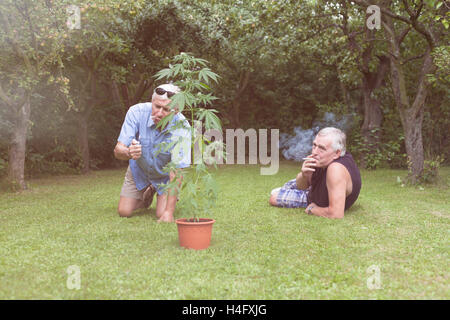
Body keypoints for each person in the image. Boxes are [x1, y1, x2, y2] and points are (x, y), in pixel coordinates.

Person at [114, 83, 191, 222]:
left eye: (166, 109)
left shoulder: (183, 127)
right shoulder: (136, 112)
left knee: (161, 213)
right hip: (140, 169)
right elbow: (118, 151)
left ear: (176, 110)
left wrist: (169, 212)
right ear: (152, 102)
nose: (159, 113)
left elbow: (177, 170)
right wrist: (129, 152)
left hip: (165, 175)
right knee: (124, 211)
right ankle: (147, 195)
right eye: (157, 107)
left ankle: (161, 196)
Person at [269, 127, 361, 219]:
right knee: (287, 186)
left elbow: (336, 214)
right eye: (314, 145)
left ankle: (284, 191)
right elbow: (302, 186)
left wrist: (312, 209)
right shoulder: (325, 160)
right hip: (315, 188)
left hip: (315, 198)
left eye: (321, 148)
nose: (314, 152)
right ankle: (287, 189)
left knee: (274, 197)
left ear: (337, 153)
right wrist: (304, 175)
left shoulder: (336, 169)